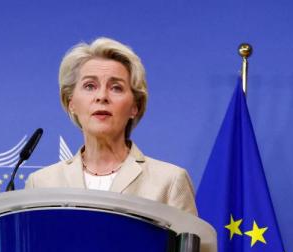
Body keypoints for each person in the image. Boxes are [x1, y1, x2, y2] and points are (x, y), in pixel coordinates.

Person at [26, 37, 197, 215]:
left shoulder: (169, 182)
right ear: (71, 103)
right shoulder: (41, 184)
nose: (102, 96)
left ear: (134, 107)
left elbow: (193, 243)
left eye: (116, 87)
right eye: (90, 86)